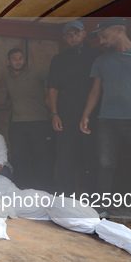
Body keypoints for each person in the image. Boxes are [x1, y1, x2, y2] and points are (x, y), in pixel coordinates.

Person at [80, 17, 131, 231]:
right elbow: (95, 90)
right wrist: (86, 114)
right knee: (105, 166)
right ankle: (101, 210)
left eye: (103, 36)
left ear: (119, 30)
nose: (101, 40)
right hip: (107, 120)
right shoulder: (101, 61)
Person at [0, 48, 54, 189]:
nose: (18, 61)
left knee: (41, 156)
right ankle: (22, 188)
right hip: (17, 123)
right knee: (19, 157)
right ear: (8, 62)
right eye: (14, 59)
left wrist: (51, 97)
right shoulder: (8, 78)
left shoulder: (37, 72)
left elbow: (55, 78)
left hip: (39, 121)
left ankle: (44, 189)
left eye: (20, 58)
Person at [47, 20, 100, 194]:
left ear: (84, 33)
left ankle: (96, 198)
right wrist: (54, 113)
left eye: (76, 33)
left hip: (93, 114)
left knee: (93, 156)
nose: (73, 37)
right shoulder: (58, 59)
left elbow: (98, 86)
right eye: (69, 35)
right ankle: (66, 197)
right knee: (65, 157)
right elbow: (53, 88)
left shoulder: (96, 55)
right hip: (66, 114)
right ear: (64, 38)